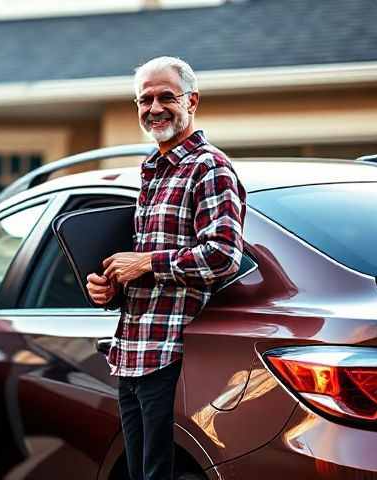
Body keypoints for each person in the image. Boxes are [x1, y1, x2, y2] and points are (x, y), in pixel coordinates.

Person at [86, 56, 246, 480]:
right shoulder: (152, 172)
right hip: (132, 352)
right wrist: (111, 289)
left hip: (174, 355)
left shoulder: (210, 167)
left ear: (191, 101)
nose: (154, 108)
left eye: (165, 97)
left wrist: (146, 263)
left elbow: (223, 254)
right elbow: (150, 267)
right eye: (145, 99)